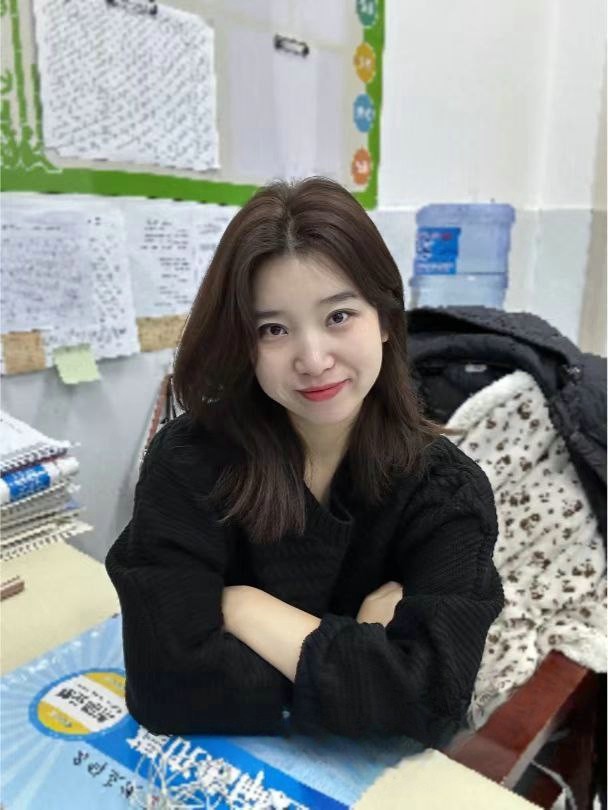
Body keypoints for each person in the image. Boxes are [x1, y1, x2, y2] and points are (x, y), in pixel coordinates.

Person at [105, 177, 505, 746]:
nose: (313, 359)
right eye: (274, 329)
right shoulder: (189, 463)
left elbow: (431, 702)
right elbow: (164, 689)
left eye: (338, 316)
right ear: (243, 344)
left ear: (385, 319)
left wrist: (243, 608)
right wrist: (365, 658)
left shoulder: (447, 492)